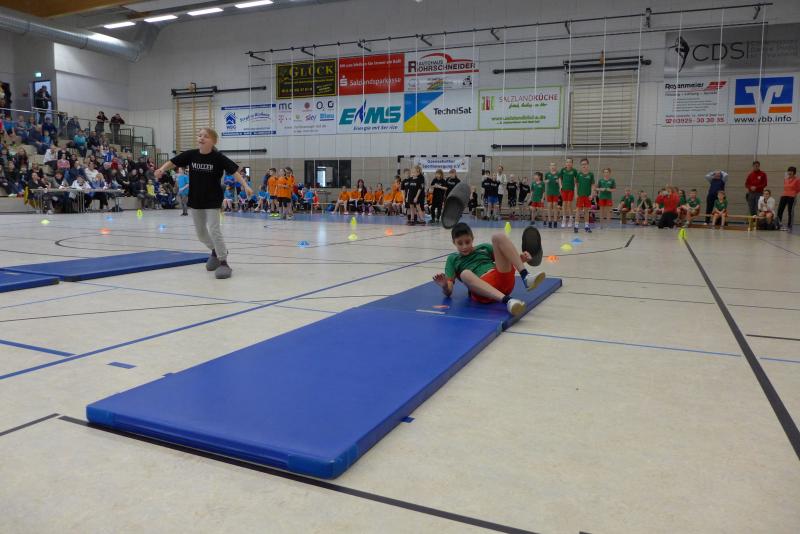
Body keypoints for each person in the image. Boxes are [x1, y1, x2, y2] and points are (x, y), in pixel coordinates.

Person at [154, 127, 252, 279]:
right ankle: (216, 251)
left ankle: (223, 262)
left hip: (213, 199)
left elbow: (234, 172)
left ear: (213, 141)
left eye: (205, 136)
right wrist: (161, 169)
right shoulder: (191, 155)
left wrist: (245, 186)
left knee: (214, 229)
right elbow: (173, 162)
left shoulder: (218, 157)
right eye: (199, 135)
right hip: (196, 199)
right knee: (200, 233)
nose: (201, 138)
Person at [433, 223, 545, 317]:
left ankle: (526, 276)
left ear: (472, 238)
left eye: (467, 242)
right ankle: (508, 301)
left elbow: (505, 260)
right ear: (454, 242)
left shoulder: (484, 248)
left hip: (503, 280)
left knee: (498, 236)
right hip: (484, 291)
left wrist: (521, 259)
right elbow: (449, 292)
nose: (464, 246)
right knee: (465, 274)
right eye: (460, 243)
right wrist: (444, 286)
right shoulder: (452, 259)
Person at [574, 158, 595, 233]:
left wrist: (592, 194)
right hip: (580, 195)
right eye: (582, 164)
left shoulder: (591, 174)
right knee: (578, 211)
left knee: (586, 211)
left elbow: (593, 185)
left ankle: (586, 226)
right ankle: (576, 226)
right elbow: (576, 185)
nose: (584, 166)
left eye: (585, 164)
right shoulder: (579, 174)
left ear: (588, 165)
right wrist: (576, 194)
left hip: (587, 196)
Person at [776, 166, 799, 231]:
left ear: (794, 172)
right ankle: (778, 224)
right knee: (780, 210)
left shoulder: (797, 180)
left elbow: (798, 189)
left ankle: (789, 225)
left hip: (792, 196)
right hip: (784, 195)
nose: (789, 172)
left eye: (791, 171)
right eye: (789, 171)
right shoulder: (786, 179)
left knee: (790, 211)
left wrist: (793, 193)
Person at [559, 158, 577, 228]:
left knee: (569, 204)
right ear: (565, 163)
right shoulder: (563, 170)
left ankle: (571, 218)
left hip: (571, 190)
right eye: (567, 162)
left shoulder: (574, 171)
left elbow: (576, 181)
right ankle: (564, 219)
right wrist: (560, 186)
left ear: (572, 163)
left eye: (570, 162)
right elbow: (560, 178)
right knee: (564, 203)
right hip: (564, 189)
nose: (568, 163)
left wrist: (575, 189)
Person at [543, 162, 561, 229]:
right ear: (549, 167)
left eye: (554, 165)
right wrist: (546, 181)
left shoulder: (558, 174)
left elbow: (560, 182)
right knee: (549, 206)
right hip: (549, 192)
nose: (553, 167)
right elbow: (544, 181)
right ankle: (550, 221)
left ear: (556, 167)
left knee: (555, 206)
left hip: (556, 192)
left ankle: (555, 221)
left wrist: (558, 182)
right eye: (551, 165)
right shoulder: (547, 174)